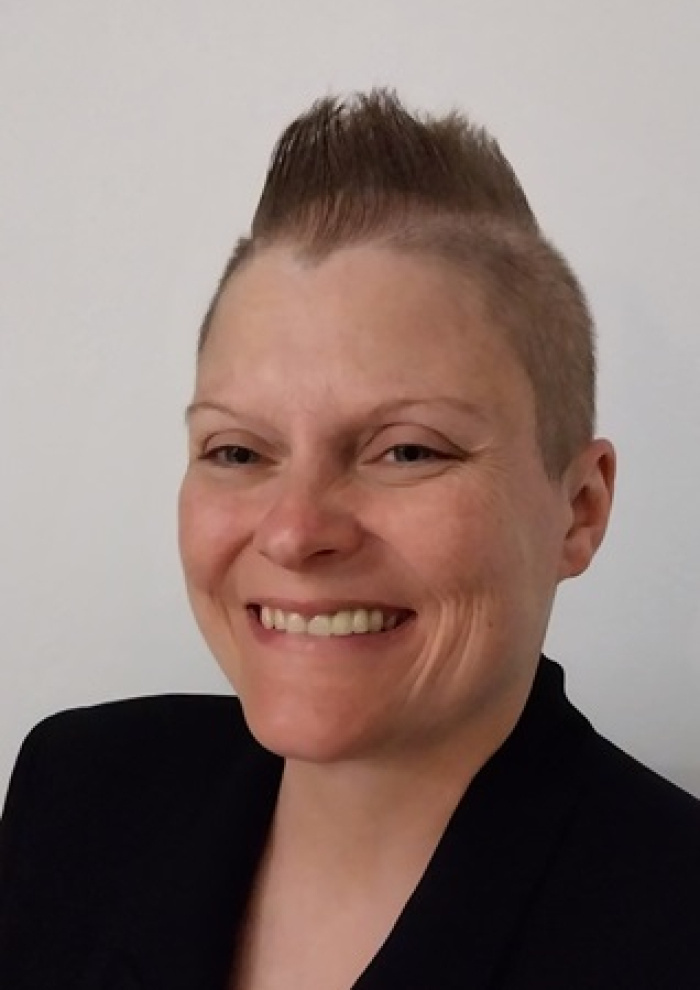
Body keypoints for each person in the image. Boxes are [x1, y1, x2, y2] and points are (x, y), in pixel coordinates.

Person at [1, 90, 698, 990]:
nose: (294, 532)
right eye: (238, 450)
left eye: (407, 450)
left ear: (581, 508)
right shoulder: (76, 791)